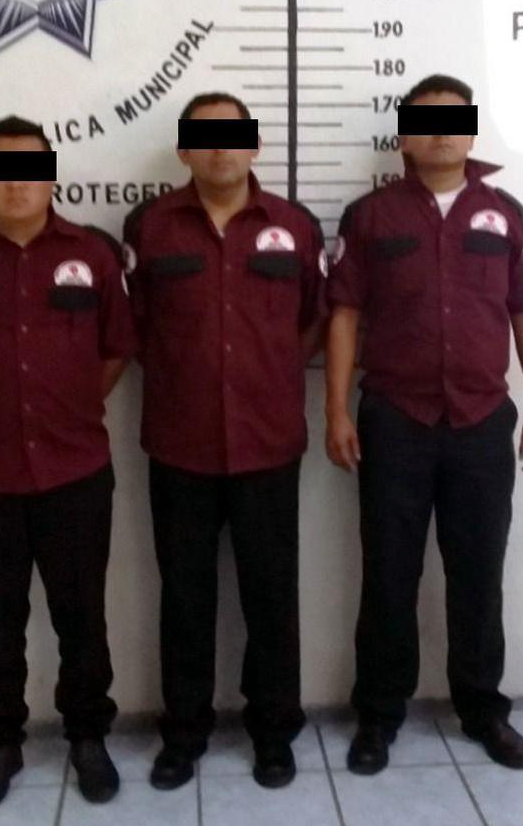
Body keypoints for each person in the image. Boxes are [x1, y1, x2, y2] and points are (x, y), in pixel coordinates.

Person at [325, 74, 523, 774]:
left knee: (478, 575)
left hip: (482, 422)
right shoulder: (370, 217)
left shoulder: (504, 214)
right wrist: (336, 409)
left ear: (471, 131)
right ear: (404, 137)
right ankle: (378, 715)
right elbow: (344, 316)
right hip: (394, 419)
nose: (440, 132)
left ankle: (483, 709)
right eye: (425, 122)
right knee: (388, 575)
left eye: (454, 120)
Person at [0, 116, 136, 812]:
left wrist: (67, 411)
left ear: (51, 177)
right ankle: (0, 745)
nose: (17, 183)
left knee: (82, 615)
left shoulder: (94, 254)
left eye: (31, 169)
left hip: (76, 471)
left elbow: (116, 350)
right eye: (2, 170)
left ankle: (87, 738)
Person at [123, 92, 326, 790]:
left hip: (268, 443)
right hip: (179, 444)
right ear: (184, 150)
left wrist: (268, 375)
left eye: (233, 135)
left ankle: (273, 732)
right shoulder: (149, 226)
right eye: (204, 137)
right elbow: (133, 328)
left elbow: (314, 321)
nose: (220, 148)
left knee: (272, 597)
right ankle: (183, 734)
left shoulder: (294, 227)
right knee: (185, 597)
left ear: (254, 145)